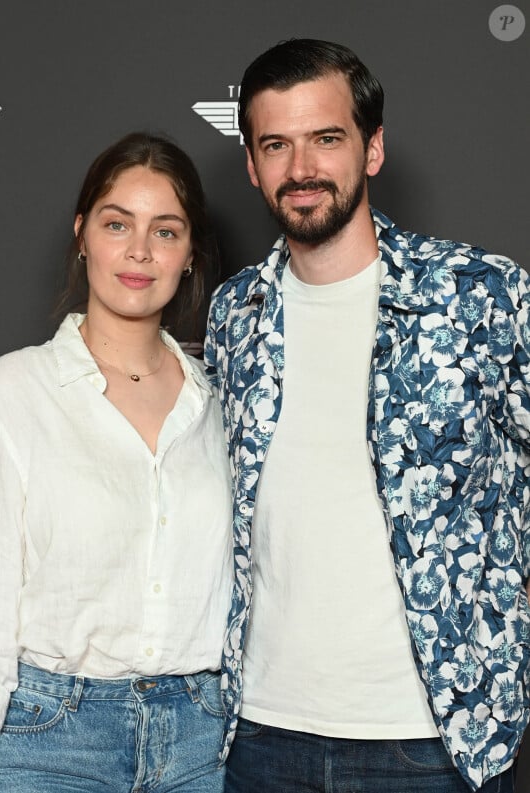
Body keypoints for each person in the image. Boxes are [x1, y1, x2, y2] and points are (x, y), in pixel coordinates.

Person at [204, 39, 530, 793]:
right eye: (276, 145)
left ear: (372, 148)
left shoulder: (479, 295)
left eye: (326, 138)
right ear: (252, 166)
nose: (302, 169)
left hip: (431, 739)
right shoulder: (235, 313)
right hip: (260, 732)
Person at [0, 132, 233, 793]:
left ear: (189, 252)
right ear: (82, 235)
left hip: (201, 744)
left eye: (165, 231)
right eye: (117, 224)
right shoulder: (12, 395)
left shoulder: (220, 404)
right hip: (49, 743)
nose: (139, 250)